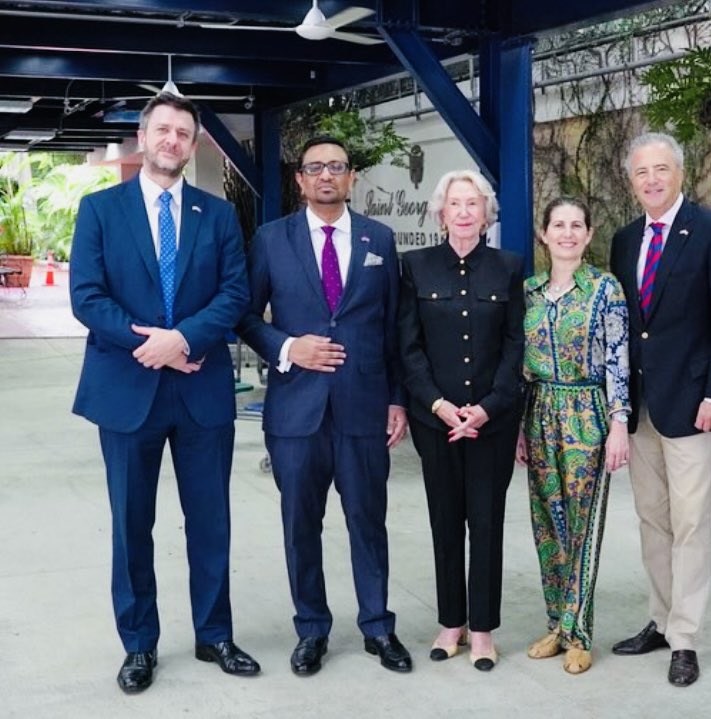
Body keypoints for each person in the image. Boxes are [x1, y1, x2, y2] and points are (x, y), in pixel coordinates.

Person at [70, 92, 259, 694]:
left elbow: (235, 294)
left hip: (200, 388)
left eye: (184, 132)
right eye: (163, 130)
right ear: (142, 137)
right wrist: (144, 344)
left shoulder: (218, 214)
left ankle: (215, 635)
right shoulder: (100, 210)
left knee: (210, 520)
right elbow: (87, 295)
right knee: (132, 524)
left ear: (194, 142)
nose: (173, 140)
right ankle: (139, 644)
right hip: (128, 391)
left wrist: (182, 340)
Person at [236, 135, 411, 676]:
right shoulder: (271, 239)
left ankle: (378, 626)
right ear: (301, 180)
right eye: (316, 168)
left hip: (363, 408)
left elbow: (394, 327)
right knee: (300, 523)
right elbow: (245, 316)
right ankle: (311, 628)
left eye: (337, 166)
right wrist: (289, 347)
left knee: (368, 520)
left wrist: (397, 400)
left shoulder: (379, 238)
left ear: (352, 176)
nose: (327, 176)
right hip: (296, 411)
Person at [609, 132, 711, 686]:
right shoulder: (624, 240)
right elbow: (626, 326)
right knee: (653, 520)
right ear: (631, 180)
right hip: (643, 407)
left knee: (691, 524)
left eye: (661, 169)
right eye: (642, 172)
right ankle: (661, 618)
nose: (651, 180)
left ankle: (685, 638)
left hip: (695, 406)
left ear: (680, 173)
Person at [397, 170, 524, 672]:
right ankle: (451, 622)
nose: (466, 211)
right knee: (445, 522)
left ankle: (484, 629)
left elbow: (517, 346)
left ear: (486, 212)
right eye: (456, 203)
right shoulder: (416, 268)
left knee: (487, 523)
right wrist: (438, 405)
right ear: (441, 212)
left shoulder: (509, 268)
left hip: (492, 422)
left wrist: (488, 407)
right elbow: (408, 348)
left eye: (474, 203)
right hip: (437, 422)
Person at [515, 197, 630, 675]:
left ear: (587, 234)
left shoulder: (605, 289)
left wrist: (619, 422)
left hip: (587, 412)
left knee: (580, 526)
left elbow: (618, 359)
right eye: (558, 225)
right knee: (547, 524)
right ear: (544, 234)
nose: (566, 233)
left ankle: (579, 631)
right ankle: (556, 625)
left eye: (576, 225)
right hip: (539, 410)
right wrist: (520, 426)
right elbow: (519, 364)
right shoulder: (529, 291)